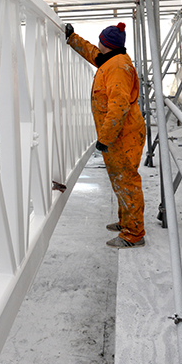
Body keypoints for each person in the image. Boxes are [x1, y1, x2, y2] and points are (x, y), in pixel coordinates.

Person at [65, 21, 147, 248]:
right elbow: (93, 54)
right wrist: (73, 39)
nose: (98, 44)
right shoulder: (111, 59)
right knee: (120, 181)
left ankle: (134, 234)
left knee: (126, 181)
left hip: (122, 136)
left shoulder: (118, 68)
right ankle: (126, 222)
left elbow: (119, 106)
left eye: (100, 41)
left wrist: (105, 138)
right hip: (121, 134)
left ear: (107, 45)